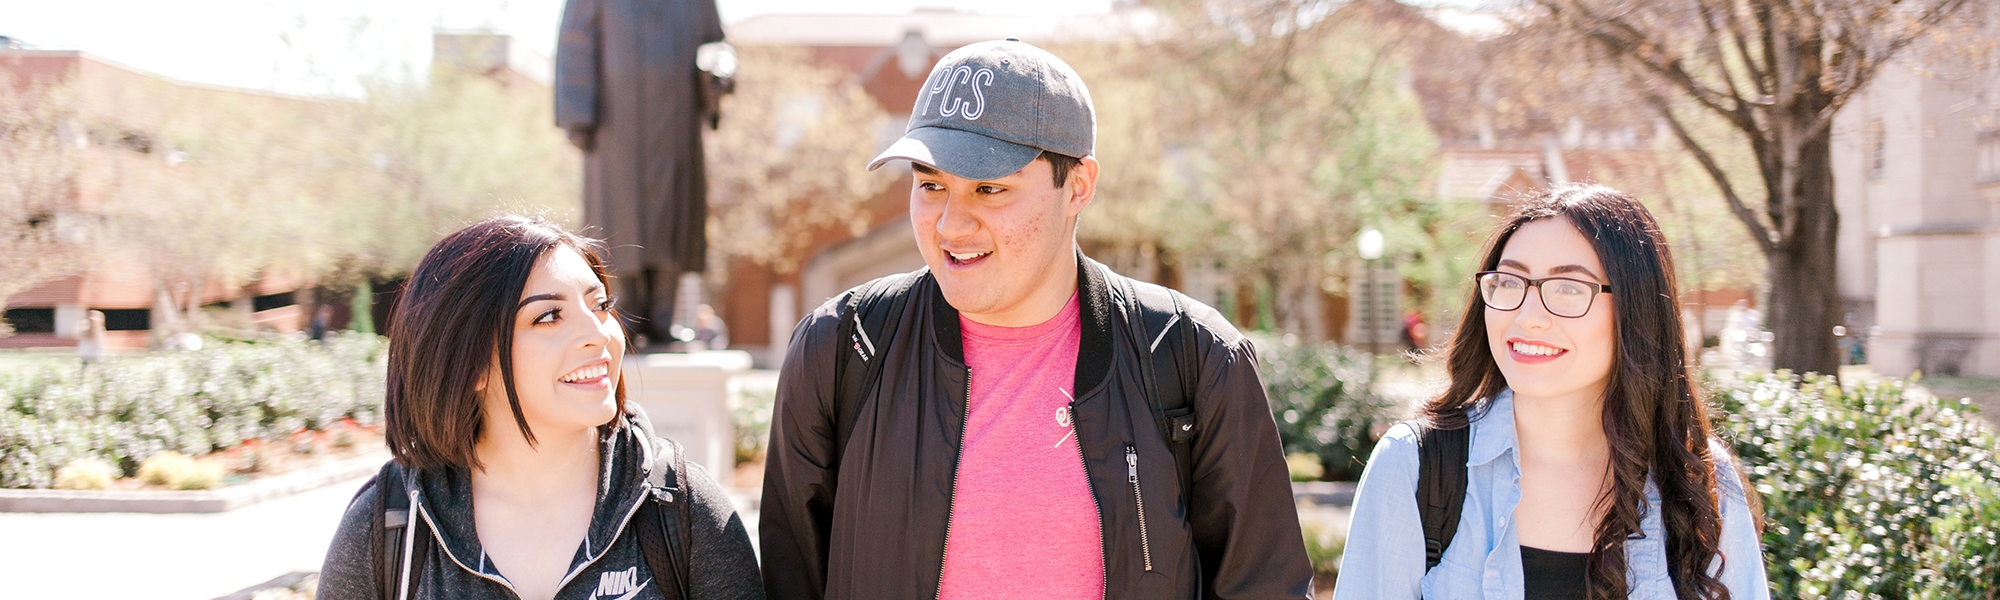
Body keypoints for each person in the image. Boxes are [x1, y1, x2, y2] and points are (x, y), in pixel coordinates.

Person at [759, 39, 1313, 600]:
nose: (951, 225)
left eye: (989, 188)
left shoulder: (1195, 356)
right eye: (931, 186)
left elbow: (1265, 586)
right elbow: (791, 580)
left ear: (1078, 186)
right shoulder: (841, 348)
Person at [1334, 185, 1769, 599]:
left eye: (1567, 288)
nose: (1529, 316)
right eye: (1509, 282)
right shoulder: (1415, 466)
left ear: (1635, 311)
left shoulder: (1699, 481)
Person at [317, 216, 762, 600]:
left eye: (601, 305)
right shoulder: (390, 525)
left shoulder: (681, 507)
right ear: (468, 363)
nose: (600, 334)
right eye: (548, 317)